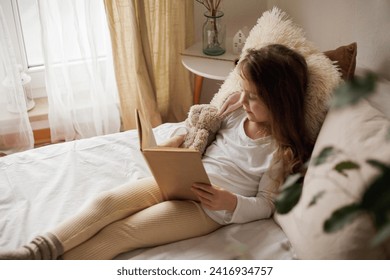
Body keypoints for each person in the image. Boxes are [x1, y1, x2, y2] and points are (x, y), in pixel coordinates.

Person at [0, 44, 312, 260]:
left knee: (122, 233)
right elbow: (202, 134)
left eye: (253, 96)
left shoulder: (279, 152)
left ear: (280, 100)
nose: (243, 100)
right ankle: (31, 254)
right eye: (243, 90)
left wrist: (231, 203)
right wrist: (175, 146)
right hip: (179, 179)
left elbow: (266, 205)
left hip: (206, 208)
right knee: (105, 202)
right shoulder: (235, 113)